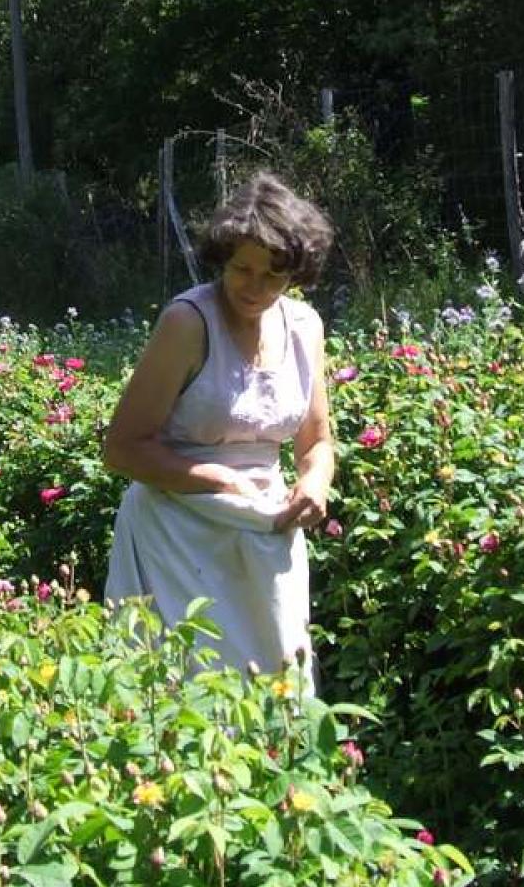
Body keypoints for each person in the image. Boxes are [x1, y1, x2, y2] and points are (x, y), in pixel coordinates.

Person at [103, 171, 335, 692]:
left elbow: (316, 442)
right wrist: (214, 477)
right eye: (242, 269)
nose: (255, 288)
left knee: (277, 683)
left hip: (265, 531)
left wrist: (315, 484)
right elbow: (121, 448)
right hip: (176, 531)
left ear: (296, 273)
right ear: (222, 258)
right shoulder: (188, 322)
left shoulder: (304, 327)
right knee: (183, 685)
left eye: (273, 275)